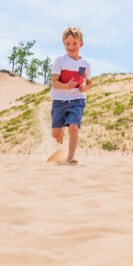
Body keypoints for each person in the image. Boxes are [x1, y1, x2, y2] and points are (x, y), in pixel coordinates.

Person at [50, 26, 92, 165]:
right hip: (59, 100)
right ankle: (60, 135)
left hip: (76, 99)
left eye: (74, 43)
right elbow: (54, 82)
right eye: (68, 44)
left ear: (81, 44)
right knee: (56, 134)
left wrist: (84, 88)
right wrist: (65, 86)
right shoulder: (60, 61)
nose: (71, 47)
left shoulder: (85, 64)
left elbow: (89, 83)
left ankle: (70, 158)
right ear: (64, 45)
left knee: (73, 126)